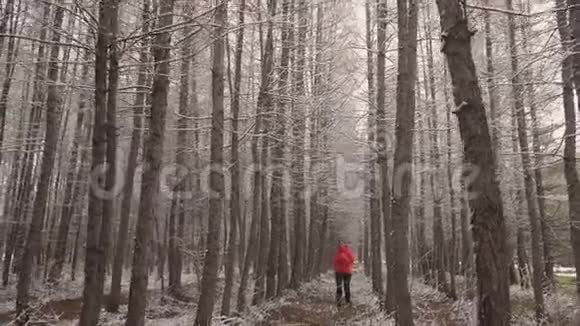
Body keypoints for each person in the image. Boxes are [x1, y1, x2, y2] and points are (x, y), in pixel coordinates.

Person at [332, 241, 355, 306]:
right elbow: (352, 260)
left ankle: (338, 300)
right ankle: (347, 300)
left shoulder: (338, 252)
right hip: (347, 272)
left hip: (338, 271)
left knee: (339, 286)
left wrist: (336, 267)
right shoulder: (348, 251)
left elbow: (334, 261)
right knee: (346, 286)